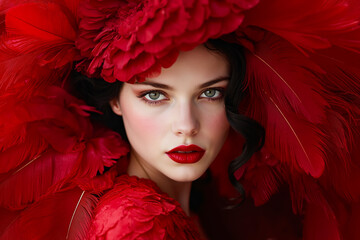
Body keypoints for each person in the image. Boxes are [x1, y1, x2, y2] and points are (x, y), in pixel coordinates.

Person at [0, 0, 360, 239]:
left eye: (210, 93)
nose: (186, 124)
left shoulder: (185, 206)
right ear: (115, 100)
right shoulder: (135, 223)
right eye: (155, 95)